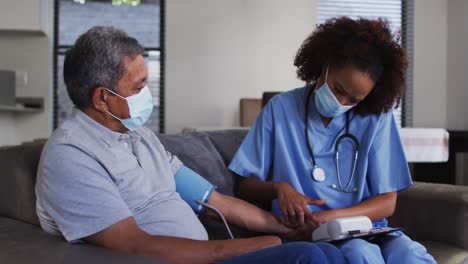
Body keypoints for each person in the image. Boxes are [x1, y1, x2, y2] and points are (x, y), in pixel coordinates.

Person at [35, 26, 346, 264]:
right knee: (310, 258)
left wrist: (283, 229)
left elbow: (215, 202)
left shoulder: (140, 137)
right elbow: (132, 244)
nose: (148, 93)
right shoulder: (71, 155)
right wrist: (245, 246)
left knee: (326, 252)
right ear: (102, 98)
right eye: (139, 86)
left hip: (209, 255)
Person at [228, 17, 436, 264]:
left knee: (410, 254)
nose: (342, 103)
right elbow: (244, 185)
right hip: (314, 237)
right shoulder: (280, 110)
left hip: (365, 228)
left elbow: (387, 202)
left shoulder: (376, 117)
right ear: (326, 63)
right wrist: (279, 188)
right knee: (361, 254)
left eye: (354, 100)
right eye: (338, 89)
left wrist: (331, 217)